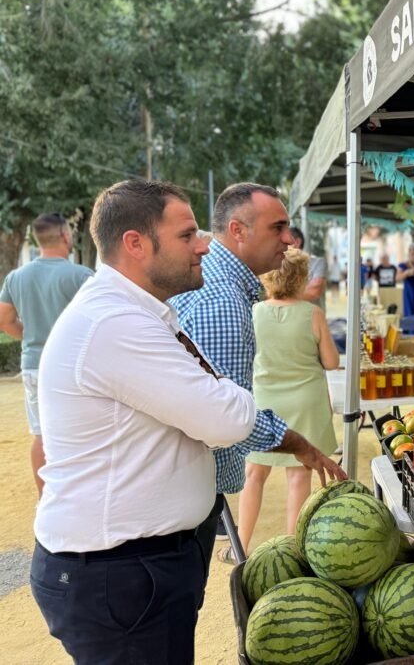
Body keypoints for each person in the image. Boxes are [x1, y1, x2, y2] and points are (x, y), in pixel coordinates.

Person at [30, 180, 260, 662]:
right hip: (121, 575)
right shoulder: (117, 324)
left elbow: (214, 402)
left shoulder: (141, 312)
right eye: (187, 235)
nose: (203, 246)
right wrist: (231, 393)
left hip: (136, 569)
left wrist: (220, 392)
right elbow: (227, 420)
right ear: (135, 243)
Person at [170, 182, 344, 569]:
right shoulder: (224, 304)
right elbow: (220, 418)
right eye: (277, 228)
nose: (288, 238)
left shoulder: (229, 291)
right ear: (238, 230)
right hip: (186, 497)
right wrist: (298, 443)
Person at [238, 249, 340, 553]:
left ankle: (239, 546)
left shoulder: (253, 311)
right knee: (299, 475)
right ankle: (293, 549)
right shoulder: (313, 313)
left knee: (254, 474)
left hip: (265, 400)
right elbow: (332, 362)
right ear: (301, 278)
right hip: (306, 402)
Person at [0, 213, 92, 496]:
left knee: (41, 434)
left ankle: (46, 499)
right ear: (66, 236)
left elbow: (4, 319)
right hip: (73, 366)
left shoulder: (17, 277)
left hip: (33, 365)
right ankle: (79, 494)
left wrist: (30, 336)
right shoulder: (81, 276)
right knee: (80, 434)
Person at [288, 226, 327, 313]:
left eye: (285, 242)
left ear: (297, 242)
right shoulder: (278, 266)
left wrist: (281, 296)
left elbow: (314, 292)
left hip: (313, 323)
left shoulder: (318, 263)